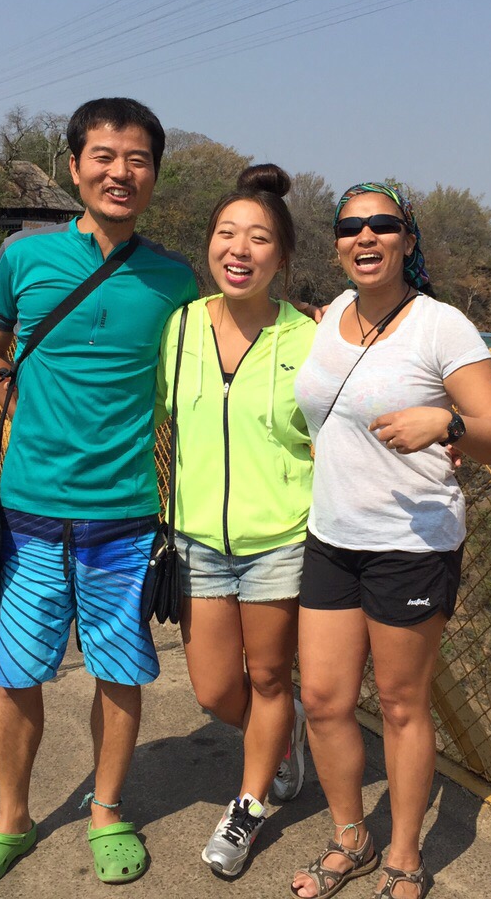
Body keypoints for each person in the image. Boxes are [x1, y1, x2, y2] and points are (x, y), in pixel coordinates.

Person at [0, 97, 197, 892]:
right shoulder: (24, 257)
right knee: (16, 672)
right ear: (74, 166)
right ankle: (10, 819)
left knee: (118, 670)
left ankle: (108, 811)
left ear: (154, 173)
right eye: (104, 157)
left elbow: (229, 350)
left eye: (137, 160)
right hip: (26, 512)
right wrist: (19, 407)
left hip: (125, 516)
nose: (120, 172)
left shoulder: (175, 280)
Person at [290, 182, 491, 899]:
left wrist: (447, 424)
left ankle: (403, 854)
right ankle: (350, 837)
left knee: (399, 704)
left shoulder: (440, 326)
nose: (365, 236)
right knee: (323, 699)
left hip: (411, 543)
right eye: (350, 227)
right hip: (331, 534)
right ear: (337, 244)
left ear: (407, 240)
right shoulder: (328, 316)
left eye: (382, 225)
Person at [155, 164, 316, 879]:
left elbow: (352, 418)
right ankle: (282, 734)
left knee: (271, 678)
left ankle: (247, 806)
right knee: (217, 690)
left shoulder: (308, 338)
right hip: (195, 538)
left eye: (258, 238)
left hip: (280, 538)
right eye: (226, 234)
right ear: (210, 245)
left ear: (282, 257)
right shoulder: (181, 326)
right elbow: (139, 409)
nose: (239, 249)